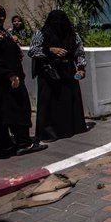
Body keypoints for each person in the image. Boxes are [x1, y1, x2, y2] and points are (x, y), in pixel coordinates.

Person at [0, 3, 47, 156]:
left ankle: (14, 144)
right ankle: (19, 144)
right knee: (3, 113)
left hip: (4, 81)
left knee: (10, 112)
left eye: (1, 15)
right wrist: (9, 74)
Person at [28, 10, 88, 142]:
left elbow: (79, 52)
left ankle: (72, 128)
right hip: (49, 72)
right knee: (48, 102)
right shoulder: (41, 33)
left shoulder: (73, 35)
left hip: (68, 71)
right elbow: (32, 51)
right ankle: (49, 133)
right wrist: (49, 50)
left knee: (69, 101)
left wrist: (81, 68)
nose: (58, 24)